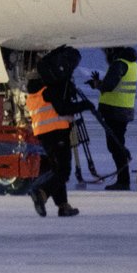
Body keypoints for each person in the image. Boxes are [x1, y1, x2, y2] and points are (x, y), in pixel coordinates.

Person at [24, 46, 84, 218]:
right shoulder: (52, 89)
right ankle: (42, 193)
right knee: (63, 171)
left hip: (43, 134)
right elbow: (63, 107)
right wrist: (83, 106)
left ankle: (63, 205)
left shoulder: (34, 92)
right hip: (57, 131)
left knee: (57, 169)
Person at [88, 46, 137, 191]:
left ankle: (123, 180)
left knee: (115, 146)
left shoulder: (119, 64)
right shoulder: (131, 64)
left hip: (115, 111)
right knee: (117, 144)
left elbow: (109, 86)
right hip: (123, 110)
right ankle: (123, 175)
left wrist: (97, 84)